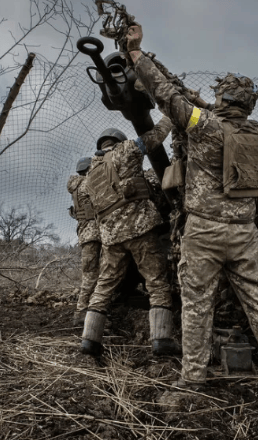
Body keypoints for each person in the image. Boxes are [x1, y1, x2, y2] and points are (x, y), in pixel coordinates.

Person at [126, 25, 258, 387]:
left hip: (204, 231)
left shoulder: (203, 126)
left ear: (222, 101)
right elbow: (215, 115)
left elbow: (165, 96)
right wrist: (206, 103)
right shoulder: (255, 131)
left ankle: (193, 377)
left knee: (196, 304)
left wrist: (137, 54)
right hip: (244, 232)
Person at [80, 121, 181, 357]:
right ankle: (162, 340)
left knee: (104, 286)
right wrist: (170, 114)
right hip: (139, 229)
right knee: (156, 282)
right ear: (118, 141)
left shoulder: (91, 172)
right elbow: (154, 137)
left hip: (110, 238)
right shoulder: (125, 150)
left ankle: (89, 341)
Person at [67, 157, 101, 328]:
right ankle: (82, 313)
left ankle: (85, 311)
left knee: (91, 273)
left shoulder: (76, 186)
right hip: (94, 234)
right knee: (92, 275)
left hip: (85, 234)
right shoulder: (88, 183)